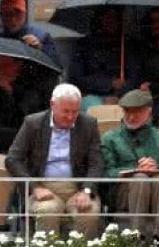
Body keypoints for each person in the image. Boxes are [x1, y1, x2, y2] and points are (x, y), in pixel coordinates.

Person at [6, 83, 105, 237]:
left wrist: (87, 190)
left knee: (89, 215)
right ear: (52, 104)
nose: (71, 117)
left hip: (78, 186)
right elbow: (12, 159)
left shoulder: (89, 124)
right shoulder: (33, 123)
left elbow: (96, 162)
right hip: (44, 187)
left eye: (75, 111)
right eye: (66, 111)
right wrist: (34, 187)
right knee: (47, 211)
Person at [101, 89, 159, 241]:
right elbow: (104, 173)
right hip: (123, 195)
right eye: (127, 111)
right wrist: (133, 171)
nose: (132, 116)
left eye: (137, 112)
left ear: (148, 112)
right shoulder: (110, 139)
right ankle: (136, 236)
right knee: (140, 177)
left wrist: (158, 167)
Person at [69, 7, 142, 108]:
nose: (111, 22)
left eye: (115, 18)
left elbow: (135, 77)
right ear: (99, 19)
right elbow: (75, 78)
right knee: (95, 109)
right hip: (92, 95)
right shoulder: (84, 45)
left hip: (123, 96)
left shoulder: (128, 45)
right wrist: (109, 84)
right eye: (107, 17)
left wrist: (118, 95)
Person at [0, 0, 62, 69]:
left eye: (17, 13)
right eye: (8, 14)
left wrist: (40, 49)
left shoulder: (41, 36)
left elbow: (57, 67)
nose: (13, 19)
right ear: (1, 16)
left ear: (25, 14)